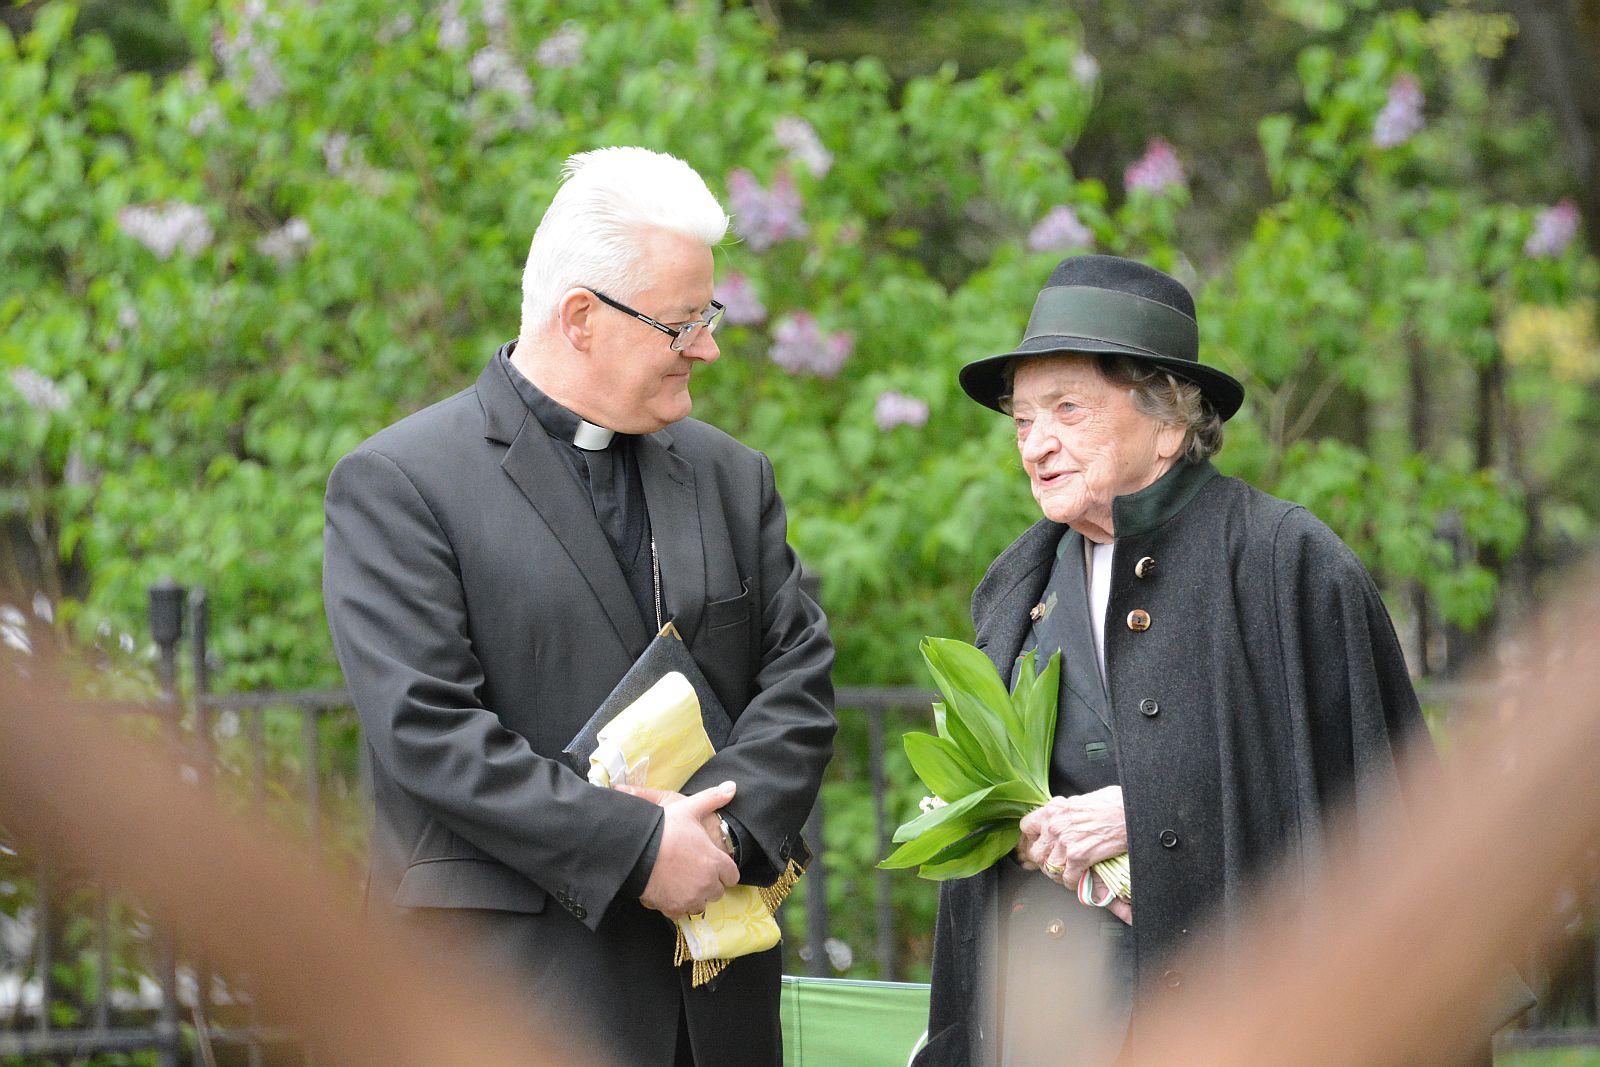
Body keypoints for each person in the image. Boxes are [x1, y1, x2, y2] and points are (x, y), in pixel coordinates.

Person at [322, 146, 836, 1067]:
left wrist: (721, 829)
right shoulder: (400, 483)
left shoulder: (730, 474)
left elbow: (799, 678)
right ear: (581, 318)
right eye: (684, 323)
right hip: (504, 1002)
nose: (708, 347)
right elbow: (428, 730)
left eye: (707, 316)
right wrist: (638, 848)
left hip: (714, 1016)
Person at [913, 254, 1434, 1066]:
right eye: (1022, 420)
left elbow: (1372, 811)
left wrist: (1146, 811)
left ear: (1168, 419)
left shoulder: (1285, 561)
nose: (1036, 444)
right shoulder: (1014, 583)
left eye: (1067, 410)